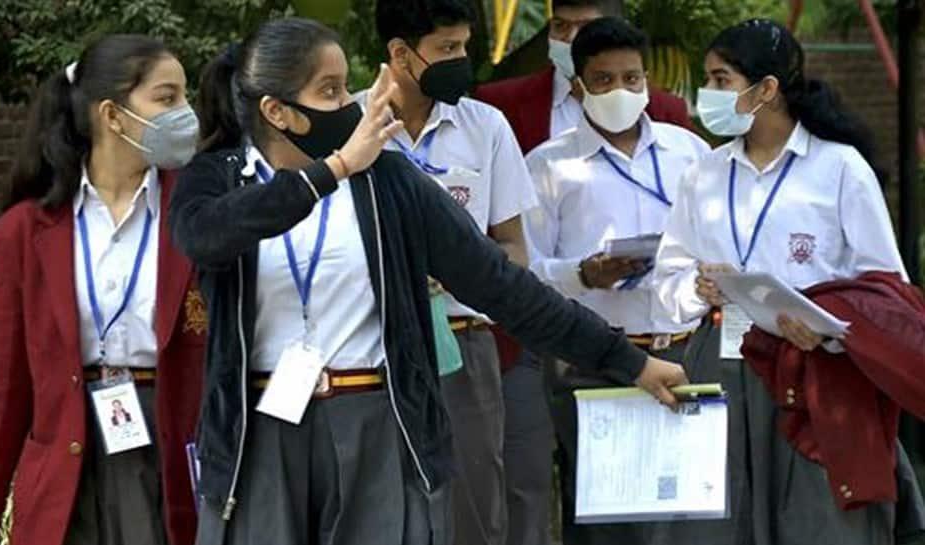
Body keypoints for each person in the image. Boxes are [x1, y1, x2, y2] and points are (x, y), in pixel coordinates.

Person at [170, 16, 688, 545]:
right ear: (276, 111)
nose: (350, 103)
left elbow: (503, 286)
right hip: (261, 430)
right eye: (330, 91)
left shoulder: (389, 181)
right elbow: (206, 237)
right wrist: (334, 169)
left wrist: (628, 360)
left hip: (376, 419)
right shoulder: (218, 178)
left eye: (346, 84)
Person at [653, 18, 925, 545]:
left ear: (767, 89)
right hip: (723, 362)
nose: (706, 94)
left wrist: (826, 329)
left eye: (720, 79)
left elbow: (886, 286)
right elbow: (668, 272)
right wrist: (694, 287)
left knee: (818, 517)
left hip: (820, 370)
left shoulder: (838, 168)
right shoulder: (704, 173)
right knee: (717, 520)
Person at [0, 35, 205, 545]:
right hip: (64, 462)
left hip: (170, 455)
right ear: (113, 115)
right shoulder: (24, 232)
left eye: (185, 95)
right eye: (167, 97)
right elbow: (6, 393)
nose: (186, 112)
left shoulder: (201, 213)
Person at [523, 17, 710, 545]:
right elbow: (527, 273)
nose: (622, 91)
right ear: (578, 86)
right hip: (594, 361)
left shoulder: (689, 154)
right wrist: (584, 273)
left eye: (632, 78)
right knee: (607, 518)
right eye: (604, 80)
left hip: (684, 352)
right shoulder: (548, 165)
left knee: (688, 511)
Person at [360, 2, 537, 544]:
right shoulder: (350, 127)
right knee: (376, 502)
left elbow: (514, 251)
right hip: (370, 349)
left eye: (464, 46)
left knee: (474, 508)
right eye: (448, 49)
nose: (462, 60)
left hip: (462, 346)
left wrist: (461, 270)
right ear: (399, 54)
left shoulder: (485, 126)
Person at [473, 0, 692, 156]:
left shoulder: (666, 111)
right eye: (560, 26)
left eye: (586, 27)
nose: (571, 39)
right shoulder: (501, 103)